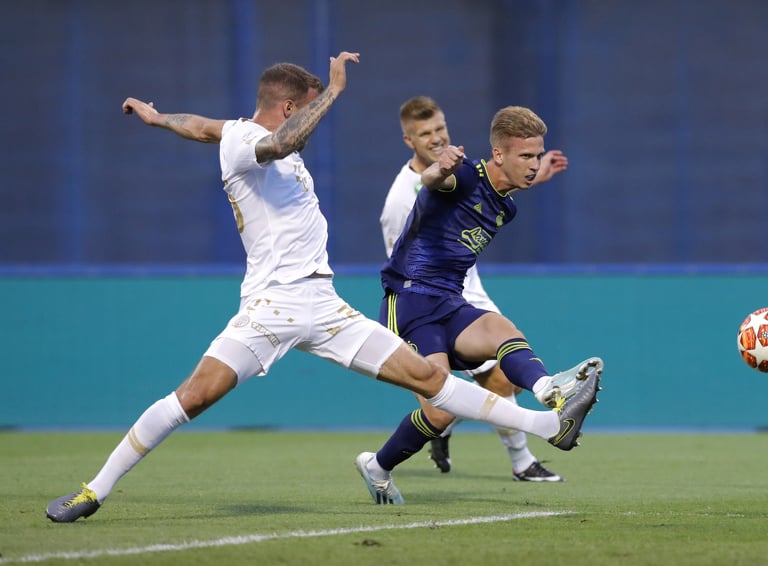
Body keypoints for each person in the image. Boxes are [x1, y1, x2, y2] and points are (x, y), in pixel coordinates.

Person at [45, 53, 601, 522]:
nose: (310, 117)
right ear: (290, 107)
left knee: (431, 379)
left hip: (324, 304)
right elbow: (280, 143)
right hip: (270, 309)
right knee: (192, 397)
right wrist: (333, 90)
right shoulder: (252, 143)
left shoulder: (233, 133)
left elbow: (202, 126)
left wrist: (159, 116)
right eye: (304, 106)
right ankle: (96, 489)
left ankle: (548, 424)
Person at [355, 104, 604, 504]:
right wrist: (440, 168)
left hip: (451, 303)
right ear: (499, 155)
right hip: (411, 304)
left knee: (502, 329)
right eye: (526, 156)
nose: (533, 163)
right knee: (440, 412)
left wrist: (533, 176)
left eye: (537, 155)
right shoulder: (465, 175)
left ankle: (549, 390)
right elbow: (435, 181)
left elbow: (500, 187)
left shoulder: (506, 206)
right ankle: (378, 466)